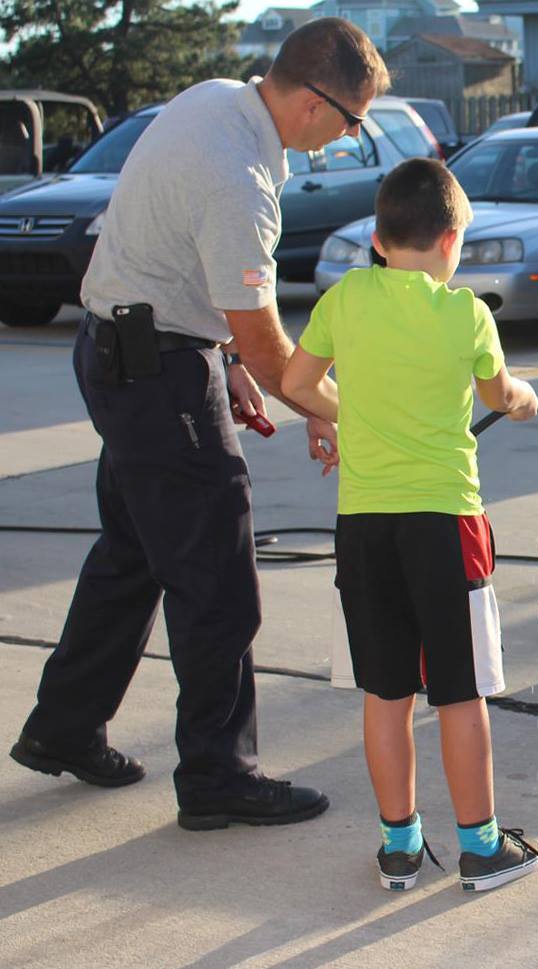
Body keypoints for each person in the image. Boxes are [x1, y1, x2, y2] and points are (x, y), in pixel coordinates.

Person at [8, 18, 389, 831]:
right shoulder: (240, 177)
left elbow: (213, 298)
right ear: (317, 103)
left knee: (135, 551)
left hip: (121, 349)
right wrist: (347, 417)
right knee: (217, 574)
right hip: (157, 373)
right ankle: (219, 773)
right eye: (353, 121)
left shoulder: (214, 101)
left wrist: (234, 367)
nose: (348, 138)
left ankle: (65, 725)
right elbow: (266, 336)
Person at [281, 158, 538, 892]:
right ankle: (482, 846)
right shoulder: (466, 314)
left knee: (386, 691)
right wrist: (522, 397)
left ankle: (399, 848)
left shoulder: (345, 298)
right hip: (444, 526)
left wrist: (349, 417)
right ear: (453, 239)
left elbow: (298, 384)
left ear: (377, 236)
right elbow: (500, 391)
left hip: (364, 528)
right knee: (459, 693)